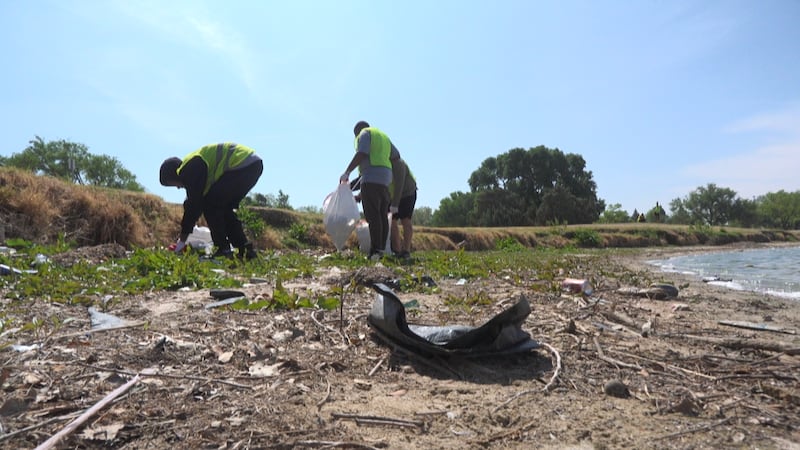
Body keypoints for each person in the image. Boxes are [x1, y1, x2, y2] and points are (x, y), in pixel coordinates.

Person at [160, 143, 263, 260]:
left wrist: (182, 241)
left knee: (210, 206)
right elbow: (195, 201)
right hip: (251, 164)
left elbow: (194, 204)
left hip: (242, 165)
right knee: (224, 209)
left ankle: (223, 249)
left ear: (174, 175)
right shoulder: (194, 168)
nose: (178, 188)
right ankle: (245, 250)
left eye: (174, 184)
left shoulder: (189, 168)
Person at [339, 121, 400, 260]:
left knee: (373, 216)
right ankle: (381, 249)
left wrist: (347, 172)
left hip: (371, 179)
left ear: (357, 132)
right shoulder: (383, 136)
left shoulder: (365, 133)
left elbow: (361, 153)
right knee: (382, 215)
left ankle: (375, 251)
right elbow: (396, 156)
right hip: (385, 179)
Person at [389, 157, 417, 259]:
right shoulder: (381, 163)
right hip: (393, 195)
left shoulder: (398, 163)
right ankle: (396, 250)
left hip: (407, 193)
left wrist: (395, 204)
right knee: (392, 221)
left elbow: (399, 185)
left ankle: (406, 250)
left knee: (405, 220)